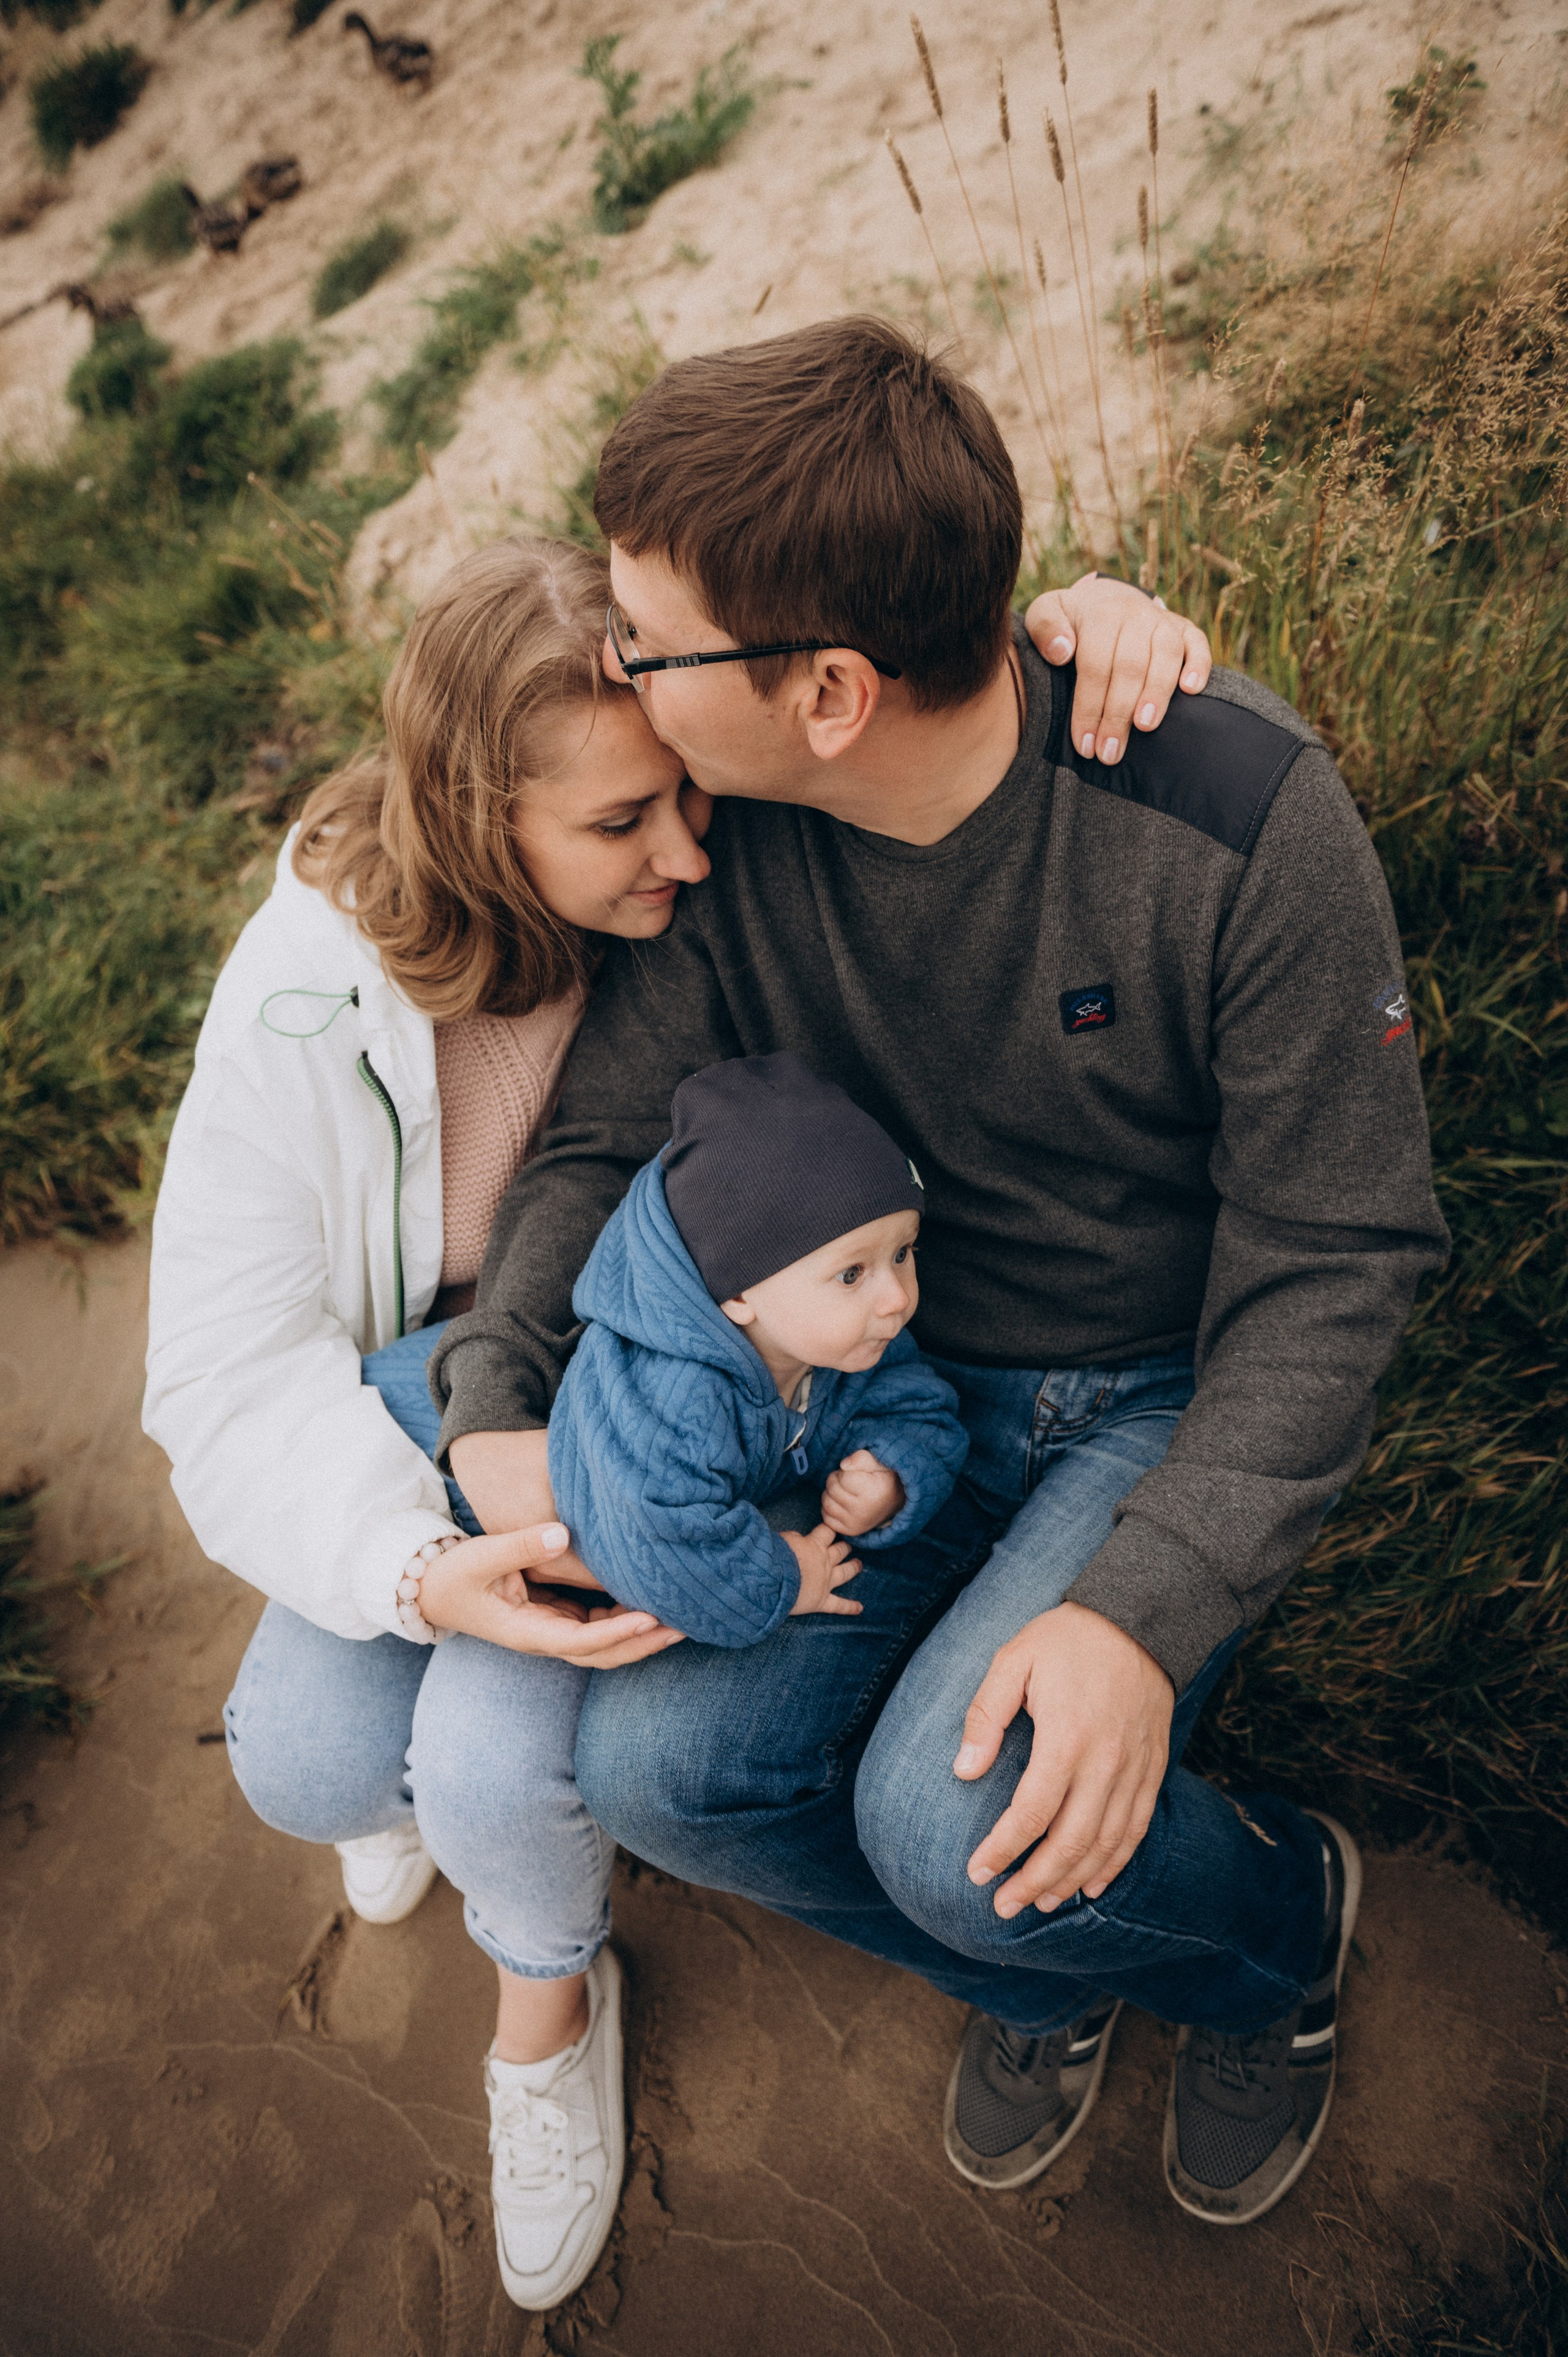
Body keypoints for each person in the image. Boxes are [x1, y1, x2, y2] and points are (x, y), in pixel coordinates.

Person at [428, 317, 1451, 2230]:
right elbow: (599, 1140)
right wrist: (499, 1395)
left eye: (647, 639)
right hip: (859, 1387)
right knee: (660, 1774)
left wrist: (1143, 1603)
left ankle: (1270, 1936)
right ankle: (1047, 1963)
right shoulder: (716, 840)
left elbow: (1337, 1256)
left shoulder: (1227, 817)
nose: (614, 667)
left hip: (1140, 1392)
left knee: (942, 1819)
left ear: (826, 686)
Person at [143, 525, 1207, 2307]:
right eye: (624, 822)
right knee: (306, 1761)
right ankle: (410, 1731)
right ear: (483, 814)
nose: (687, 845)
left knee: (503, 1770)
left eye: (679, 795)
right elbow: (218, 1375)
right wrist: (415, 1565)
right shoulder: (306, 991)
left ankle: (550, 2007)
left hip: (652, 1400)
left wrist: (1082, 621)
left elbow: (866, 682)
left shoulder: (705, 860)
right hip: (417, 1421)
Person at [549, 1051, 970, 1644]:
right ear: (738, 1294)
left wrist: (894, 1473)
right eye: (851, 1273)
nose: (896, 1298)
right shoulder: (673, 1394)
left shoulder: (849, 1344)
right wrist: (786, 1577)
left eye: (902, 1253)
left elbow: (912, 1402)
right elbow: (661, 1543)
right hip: (417, 1470)